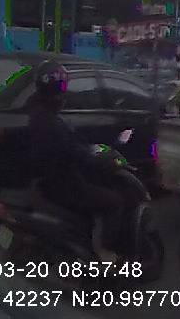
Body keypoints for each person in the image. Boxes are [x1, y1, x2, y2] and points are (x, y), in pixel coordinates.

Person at [27, 62, 126, 262]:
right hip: (64, 185)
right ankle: (104, 252)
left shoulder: (37, 115)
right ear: (58, 93)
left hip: (47, 181)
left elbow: (73, 147)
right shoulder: (54, 125)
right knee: (115, 202)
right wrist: (106, 163)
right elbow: (79, 156)